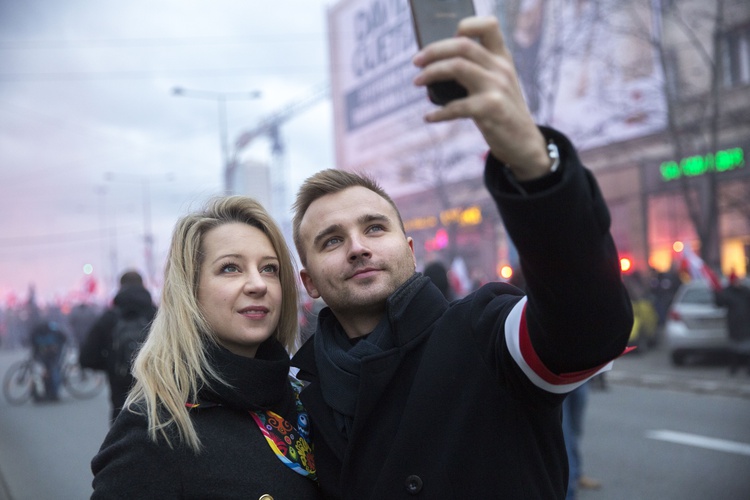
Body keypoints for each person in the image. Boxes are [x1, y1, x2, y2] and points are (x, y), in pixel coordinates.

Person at [289, 16, 633, 499]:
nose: (358, 247)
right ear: (310, 283)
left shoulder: (483, 335)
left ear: (409, 250)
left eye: (374, 227)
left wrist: (536, 170)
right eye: (330, 240)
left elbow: (587, 328)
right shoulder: (297, 392)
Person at [90, 196, 322, 499]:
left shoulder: (306, 395)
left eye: (269, 269)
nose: (258, 284)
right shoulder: (156, 429)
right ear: (190, 290)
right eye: (230, 268)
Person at [80, 270, 157, 423]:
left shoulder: (109, 318)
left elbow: (86, 358)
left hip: (121, 402)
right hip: (155, 398)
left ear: (120, 287)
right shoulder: (157, 315)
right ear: (143, 285)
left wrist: (112, 365)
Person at [562, 381, 601, 500]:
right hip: (558, 379)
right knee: (565, 437)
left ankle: (576, 473)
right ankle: (568, 493)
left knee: (575, 431)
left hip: (582, 378)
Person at [714, 270, 750, 375]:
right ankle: (733, 368)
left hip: (746, 324)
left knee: (747, 348)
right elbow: (719, 303)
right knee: (734, 349)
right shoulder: (727, 292)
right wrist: (716, 292)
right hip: (734, 325)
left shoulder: (745, 291)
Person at [29, 320, 67, 402]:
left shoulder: (37, 332)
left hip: (50, 354)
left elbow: (34, 346)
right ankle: (52, 394)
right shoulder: (52, 330)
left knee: (51, 371)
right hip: (50, 354)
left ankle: (50, 394)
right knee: (51, 371)